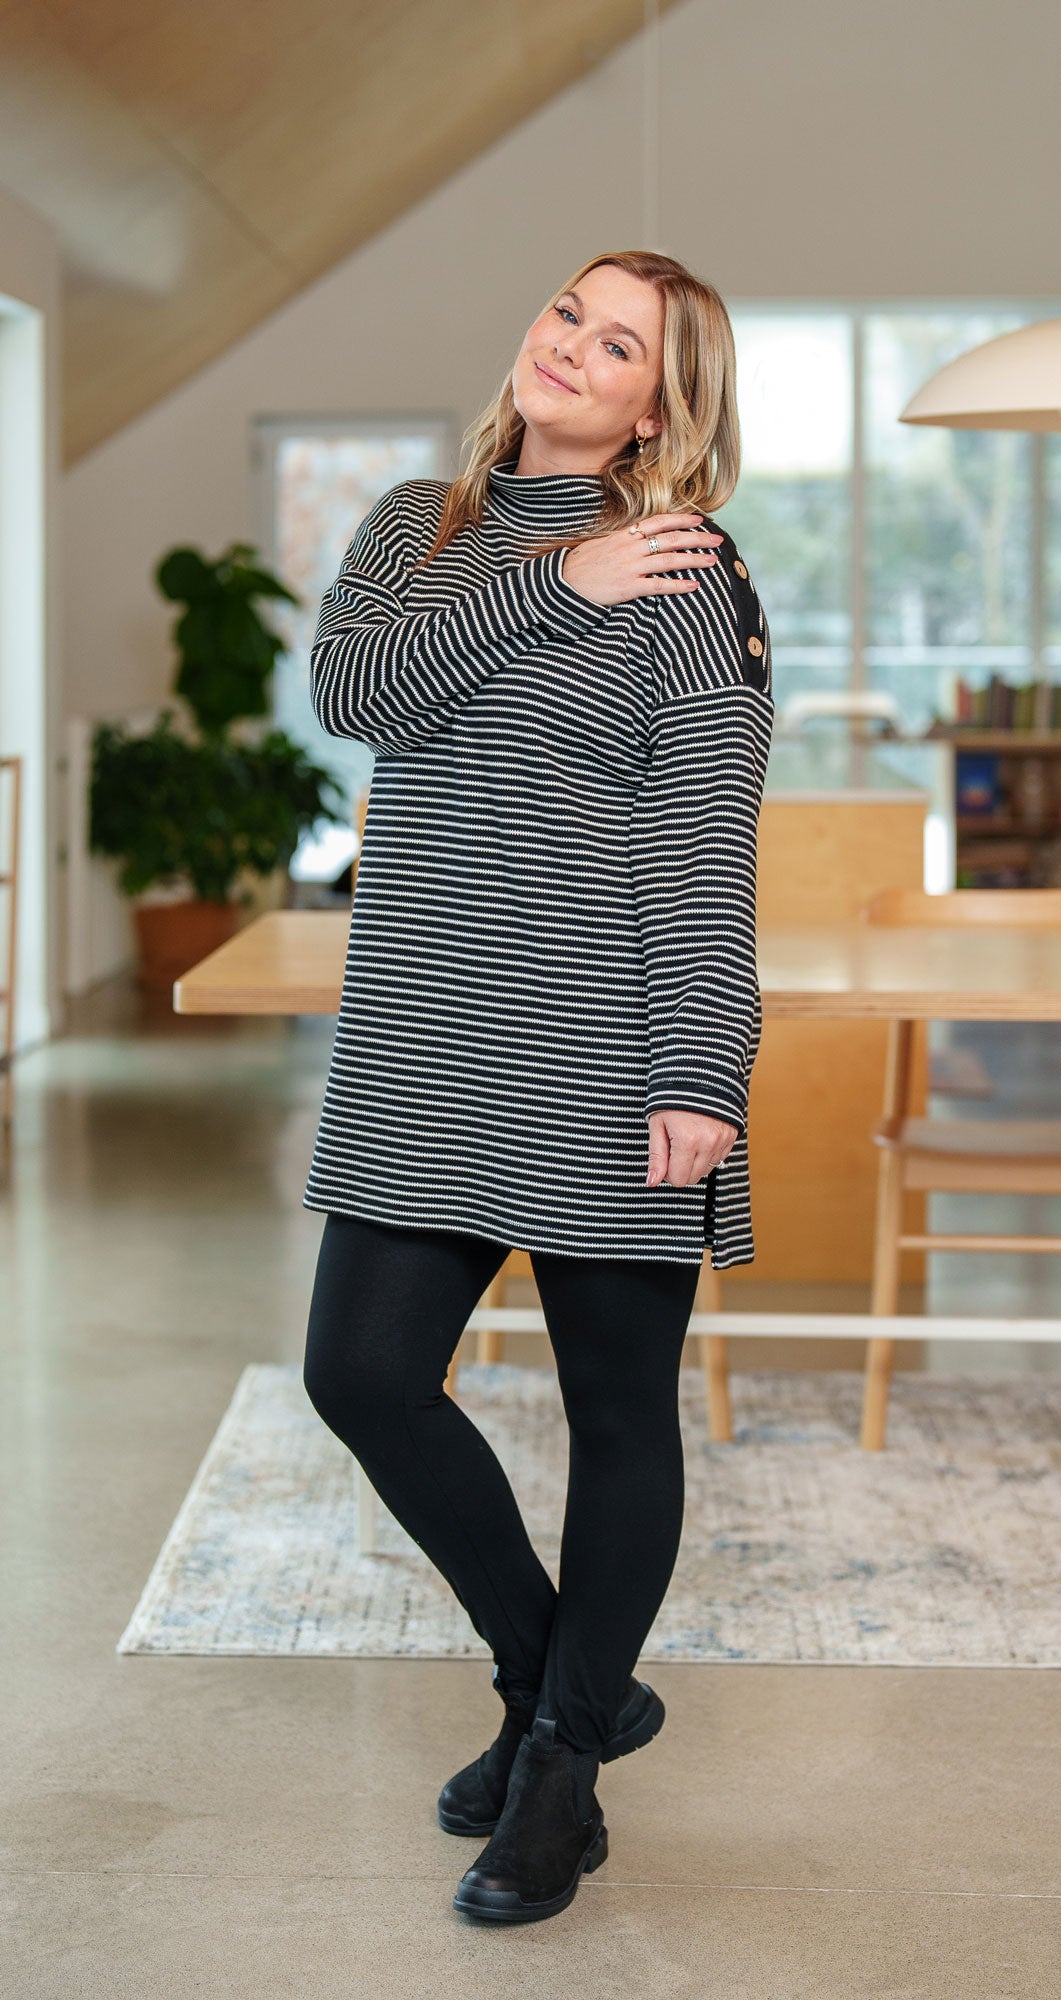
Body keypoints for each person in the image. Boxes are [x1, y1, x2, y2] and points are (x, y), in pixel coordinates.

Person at [301, 249, 775, 1925]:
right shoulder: (412, 528)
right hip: (424, 1047)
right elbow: (354, 693)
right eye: (567, 312)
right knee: (361, 1377)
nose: (569, 346)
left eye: (617, 343)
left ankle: (559, 1770)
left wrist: (699, 1065)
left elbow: (702, 841)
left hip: (606, 1052)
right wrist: (559, 580)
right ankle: (550, 1683)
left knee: (616, 1419)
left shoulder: (694, 577)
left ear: (659, 406)